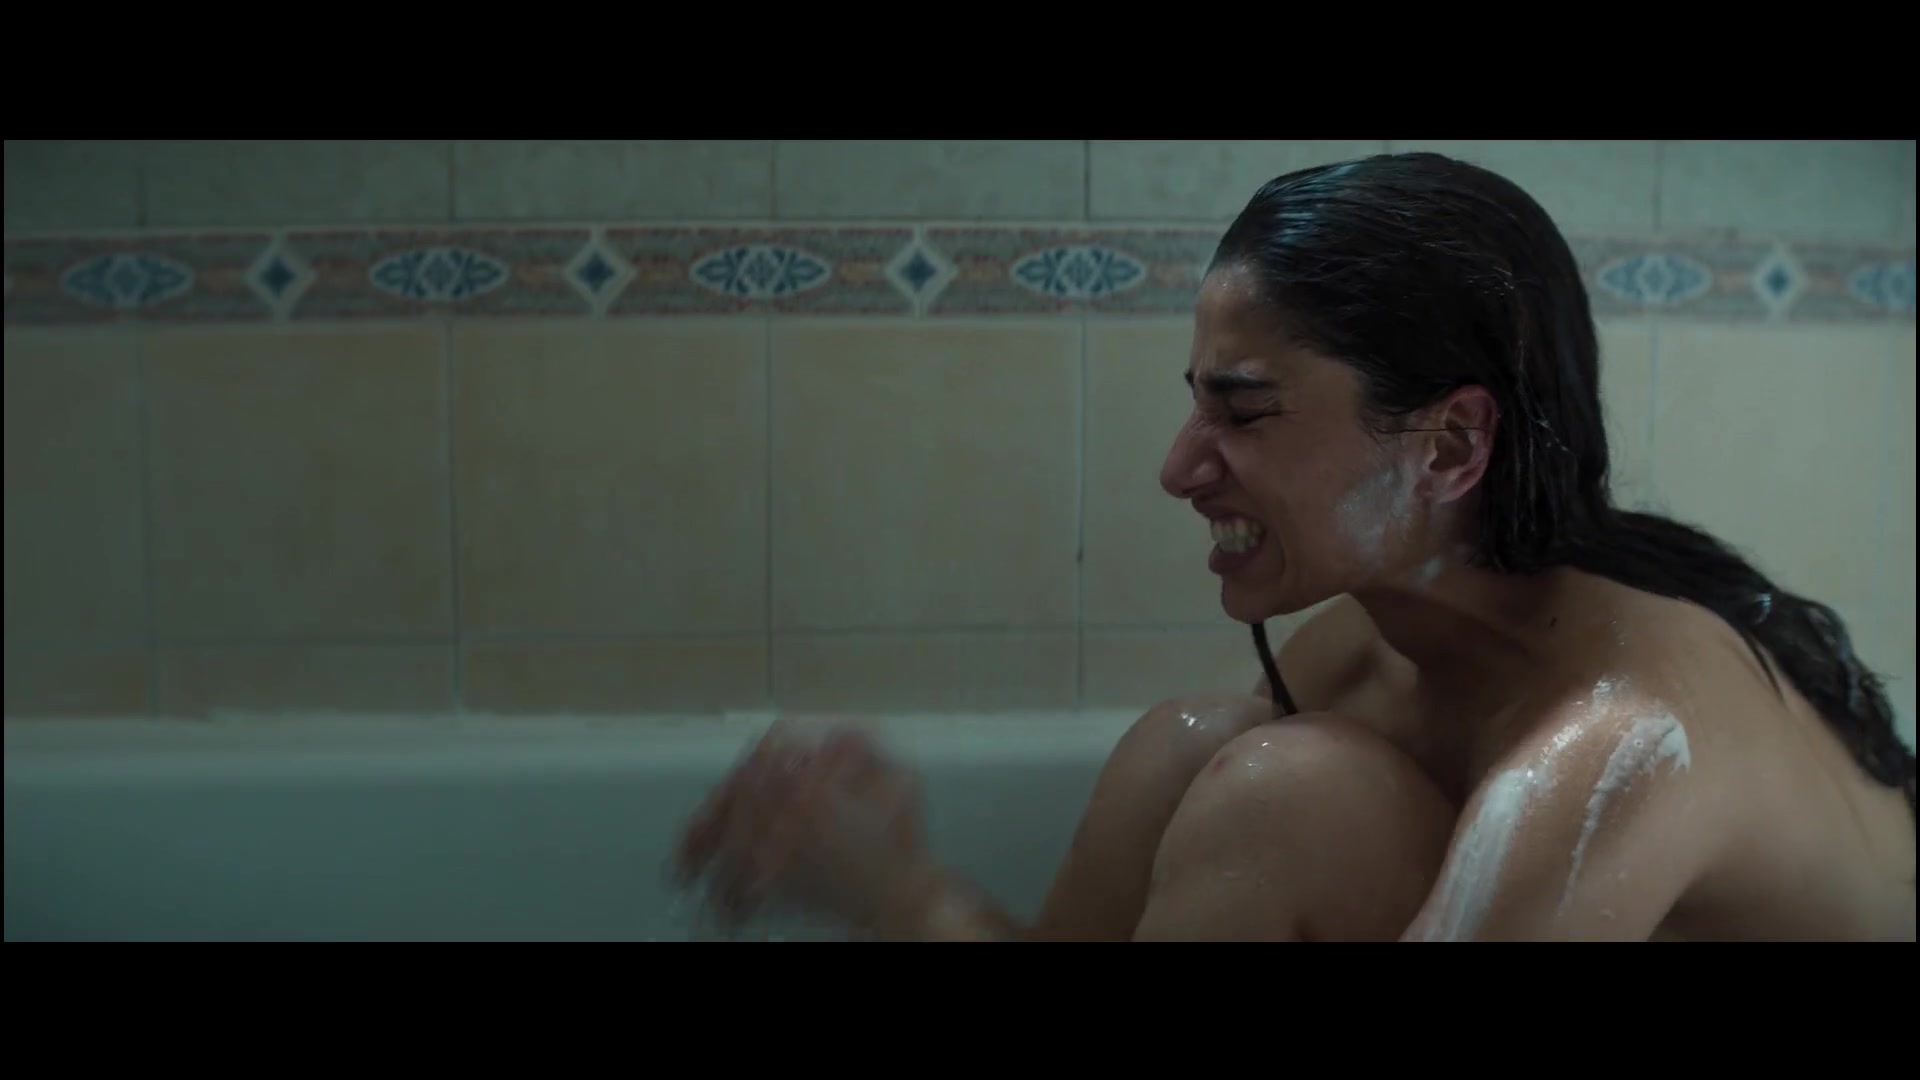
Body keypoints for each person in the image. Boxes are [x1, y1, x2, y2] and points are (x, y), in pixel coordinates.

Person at [671, 152, 1918, 942]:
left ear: (1448, 445)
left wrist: (907, 904)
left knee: (1286, 799)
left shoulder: (1622, 737)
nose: (1178, 469)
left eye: (1245, 410)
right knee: (1195, 751)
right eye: (1196, 405)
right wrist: (891, 882)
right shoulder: (1374, 663)